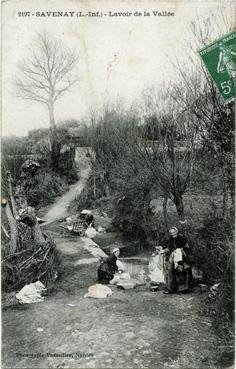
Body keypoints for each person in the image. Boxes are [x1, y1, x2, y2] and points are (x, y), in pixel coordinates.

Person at [161, 227, 193, 294]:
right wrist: (163, 251)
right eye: (171, 233)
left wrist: (181, 250)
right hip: (173, 256)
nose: (173, 234)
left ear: (177, 232)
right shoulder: (170, 240)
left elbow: (187, 247)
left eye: (174, 233)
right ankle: (171, 289)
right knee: (170, 271)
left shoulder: (182, 238)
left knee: (180, 271)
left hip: (181, 256)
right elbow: (169, 248)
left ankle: (182, 289)